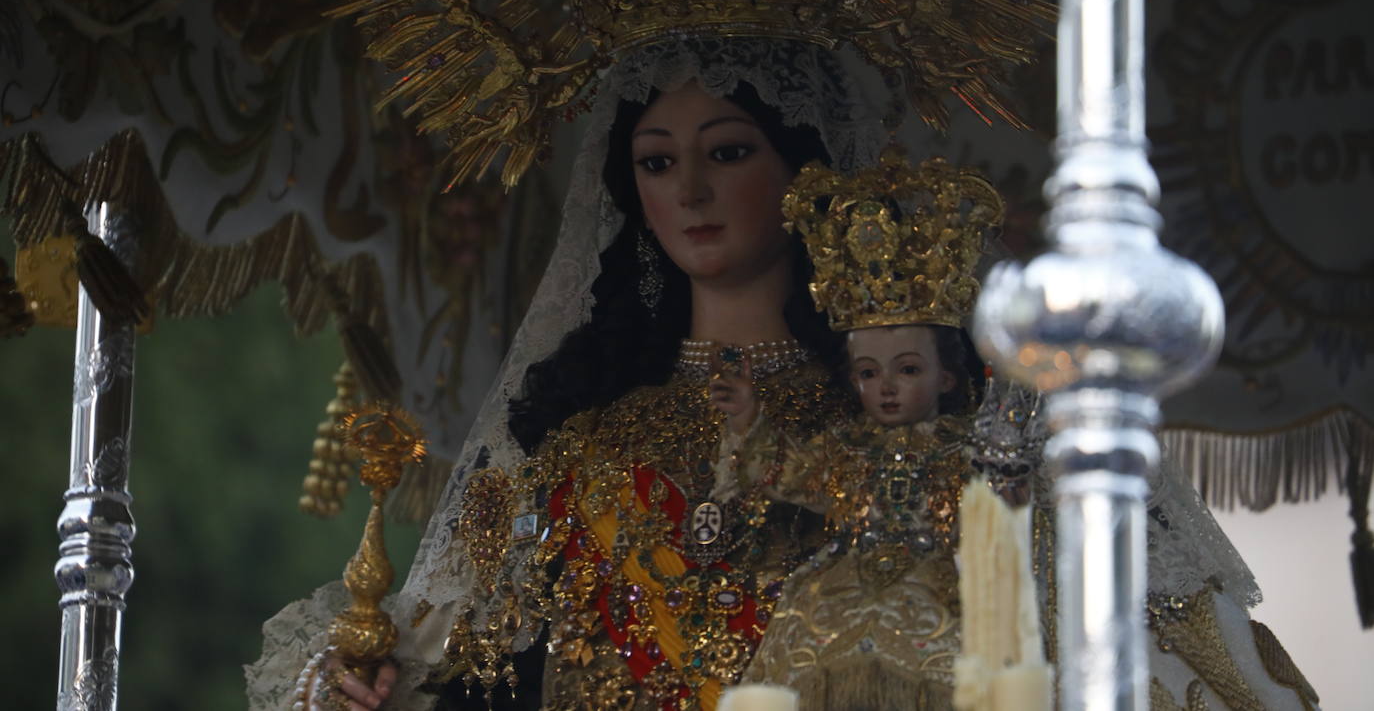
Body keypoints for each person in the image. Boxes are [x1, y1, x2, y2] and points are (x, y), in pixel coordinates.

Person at [247, 38, 888, 711]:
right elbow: (487, 672)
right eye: (658, 162)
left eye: (728, 152)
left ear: (805, 170)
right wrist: (353, 688)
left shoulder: (884, 419)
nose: (691, 190)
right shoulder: (581, 434)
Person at [708, 150, 1006, 710]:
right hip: (841, 584)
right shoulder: (846, 445)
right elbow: (788, 471)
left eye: (908, 370)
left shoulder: (966, 446)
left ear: (946, 378)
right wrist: (748, 418)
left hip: (943, 584)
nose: (887, 387)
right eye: (870, 373)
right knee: (805, 626)